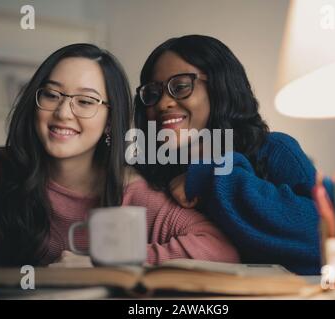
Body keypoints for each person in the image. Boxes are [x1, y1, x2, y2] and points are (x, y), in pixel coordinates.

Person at [0, 43, 239, 267]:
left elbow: (220, 250)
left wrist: (107, 261)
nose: (62, 113)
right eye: (51, 95)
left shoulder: (132, 193)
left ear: (110, 120)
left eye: (85, 101)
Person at [134, 35, 321, 275]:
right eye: (153, 93)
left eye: (180, 87)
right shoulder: (150, 171)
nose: (162, 104)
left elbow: (320, 237)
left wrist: (215, 175)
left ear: (220, 86)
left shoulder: (275, 150)